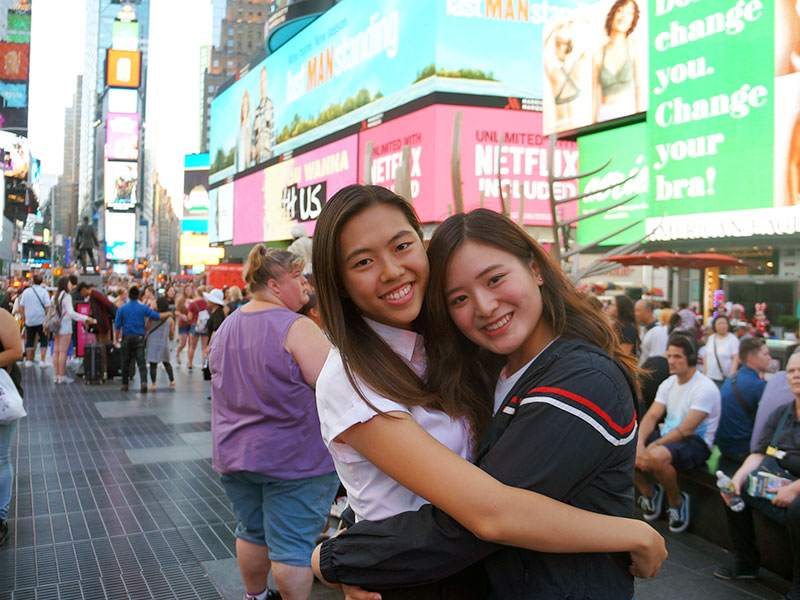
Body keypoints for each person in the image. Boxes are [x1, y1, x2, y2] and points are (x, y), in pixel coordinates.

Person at [310, 186, 665, 598]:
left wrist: (342, 555)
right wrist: (337, 557)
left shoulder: (554, 373)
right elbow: (486, 512)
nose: (391, 270)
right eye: (364, 261)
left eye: (402, 245)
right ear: (340, 283)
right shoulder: (352, 378)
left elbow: (486, 506)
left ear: (535, 268)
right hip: (426, 577)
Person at [209, 245, 338, 600]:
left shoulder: (227, 325)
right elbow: (334, 387)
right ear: (274, 284)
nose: (307, 287)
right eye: (298, 278)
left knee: (252, 531)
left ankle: (254, 596)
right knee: (292, 546)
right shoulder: (295, 327)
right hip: (294, 460)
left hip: (236, 456)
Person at [712, 351, 800, 599]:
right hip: (778, 479)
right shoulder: (781, 414)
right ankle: (746, 564)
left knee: (799, 507)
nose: (796, 375)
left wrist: (794, 490)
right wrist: (738, 478)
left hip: (796, 490)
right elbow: (759, 453)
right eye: (792, 371)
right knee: (733, 489)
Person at [635, 333, 721, 533]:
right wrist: (639, 443)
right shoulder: (668, 383)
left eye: (677, 357)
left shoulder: (704, 387)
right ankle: (649, 493)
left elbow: (687, 429)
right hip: (670, 436)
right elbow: (652, 416)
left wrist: (653, 446)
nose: (671, 361)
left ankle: (677, 503)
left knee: (656, 456)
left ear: (691, 360)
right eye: (670, 356)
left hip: (696, 442)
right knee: (622, 446)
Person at [716, 338, 771, 465]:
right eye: (765, 354)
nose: (769, 358)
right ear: (751, 358)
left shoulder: (732, 378)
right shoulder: (758, 385)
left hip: (724, 446)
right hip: (742, 449)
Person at [592, 0, 641, 123]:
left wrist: (640, 118)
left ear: (632, 21)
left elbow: (639, 87)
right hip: (604, 114)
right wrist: (591, 126)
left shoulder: (634, 48)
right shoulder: (598, 56)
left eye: (629, 13)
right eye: (620, 11)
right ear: (612, 15)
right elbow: (594, 94)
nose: (623, 16)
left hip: (628, 112)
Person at [114, 285, 169, 393]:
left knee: (125, 362)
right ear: (139, 295)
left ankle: (125, 384)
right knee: (141, 362)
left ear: (129, 295)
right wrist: (169, 313)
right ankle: (144, 382)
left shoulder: (122, 309)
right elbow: (156, 316)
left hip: (126, 338)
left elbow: (117, 326)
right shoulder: (143, 308)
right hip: (139, 338)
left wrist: (116, 339)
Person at [0, 307, 23, 546]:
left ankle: (0, 518)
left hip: (3, 397)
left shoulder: (2, 316)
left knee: (1, 457)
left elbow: (16, 351)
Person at [52, 276, 95, 384]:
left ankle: (56, 375)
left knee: (56, 351)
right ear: (66, 285)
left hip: (55, 326)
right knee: (63, 352)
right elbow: (71, 313)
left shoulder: (55, 296)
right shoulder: (67, 297)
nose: (71, 286)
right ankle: (62, 376)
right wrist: (85, 318)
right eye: (69, 284)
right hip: (65, 326)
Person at [18, 274, 50, 367]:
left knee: (29, 340)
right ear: (42, 282)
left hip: (29, 320)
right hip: (42, 320)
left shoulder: (26, 292)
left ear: (32, 281)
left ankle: (28, 360)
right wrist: (48, 318)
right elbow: (48, 307)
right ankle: (42, 360)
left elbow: (21, 306)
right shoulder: (44, 292)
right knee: (44, 339)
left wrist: (24, 318)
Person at [145, 296, 175, 391]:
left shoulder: (152, 317)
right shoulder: (170, 319)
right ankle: (172, 380)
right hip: (164, 342)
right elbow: (172, 333)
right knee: (166, 362)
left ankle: (153, 384)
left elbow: (147, 328)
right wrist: (170, 338)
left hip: (152, 342)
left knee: (153, 364)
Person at [704, 315, 740, 387]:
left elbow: (736, 358)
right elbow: (706, 356)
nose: (722, 326)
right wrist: (704, 372)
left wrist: (731, 376)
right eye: (719, 323)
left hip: (724, 379)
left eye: (724, 323)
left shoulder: (732, 339)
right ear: (715, 326)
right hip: (709, 377)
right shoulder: (711, 338)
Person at [251, 66, 274, 165]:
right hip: (257, 163)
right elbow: (253, 139)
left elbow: (273, 135)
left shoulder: (270, 105)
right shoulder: (256, 111)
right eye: (260, 82)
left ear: (267, 82)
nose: (262, 85)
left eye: (264, 81)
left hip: (269, 159)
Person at [636, 298, 668, 367]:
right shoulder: (645, 329)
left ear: (649, 311)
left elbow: (656, 361)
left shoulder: (658, 332)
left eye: (638, 310)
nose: (635, 313)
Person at [186, 287, 210, 370]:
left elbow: (189, 317)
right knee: (204, 347)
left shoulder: (193, 303)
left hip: (195, 325)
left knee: (192, 346)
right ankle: (203, 365)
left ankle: (190, 363)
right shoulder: (208, 303)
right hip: (205, 326)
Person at [175, 286, 192, 365]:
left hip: (191, 323)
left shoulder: (193, 299)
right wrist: (182, 316)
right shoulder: (180, 300)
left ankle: (189, 361)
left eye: (190, 290)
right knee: (183, 343)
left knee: (191, 344)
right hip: (183, 324)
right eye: (187, 289)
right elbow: (176, 311)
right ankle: (177, 352)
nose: (188, 291)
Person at [236, 90, 252, 171]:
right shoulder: (239, 130)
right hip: (239, 173)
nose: (244, 108)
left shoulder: (250, 126)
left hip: (248, 170)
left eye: (246, 105)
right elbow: (237, 157)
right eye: (243, 105)